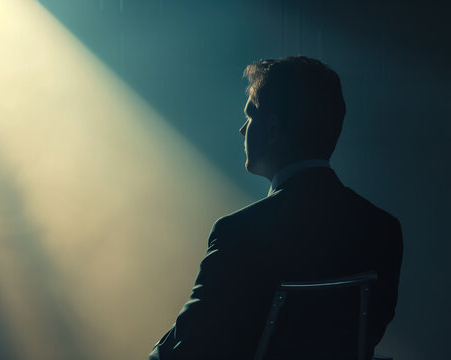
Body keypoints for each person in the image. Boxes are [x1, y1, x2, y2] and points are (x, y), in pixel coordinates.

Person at [148, 56, 403, 360]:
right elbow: (367, 335)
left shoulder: (238, 234)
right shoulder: (383, 230)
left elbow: (186, 349)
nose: (243, 130)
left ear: (272, 128)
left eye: (250, 115)